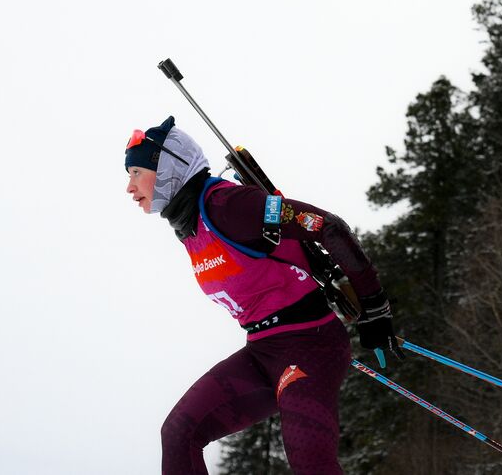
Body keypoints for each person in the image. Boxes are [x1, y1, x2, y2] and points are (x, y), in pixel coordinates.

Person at [124, 115, 400, 475]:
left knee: (308, 459)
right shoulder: (191, 227)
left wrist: (375, 308)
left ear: (168, 168)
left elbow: (326, 226)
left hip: (310, 344)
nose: (129, 188)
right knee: (179, 433)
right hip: (262, 351)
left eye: (135, 173)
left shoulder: (229, 206)